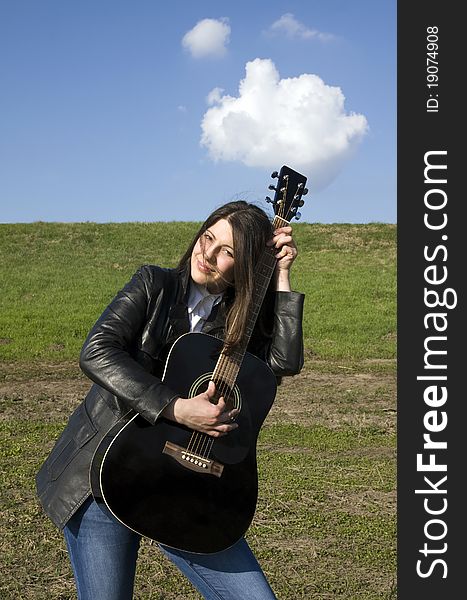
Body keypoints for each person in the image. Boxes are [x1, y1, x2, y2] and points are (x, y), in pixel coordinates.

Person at [36, 200, 305, 600]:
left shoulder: (240, 321)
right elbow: (98, 350)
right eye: (208, 237)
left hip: (187, 486)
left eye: (227, 251)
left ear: (245, 264)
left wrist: (281, 275)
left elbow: (281, 364)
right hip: (104, 473)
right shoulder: (153, 285)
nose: (208, 254)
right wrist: (179, 408)